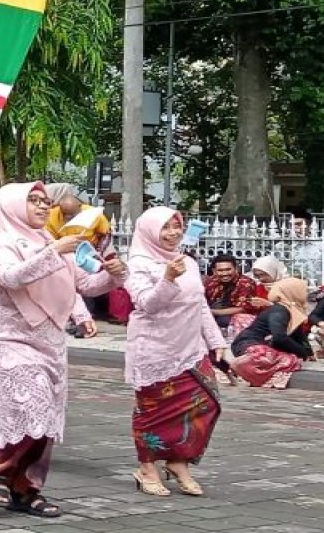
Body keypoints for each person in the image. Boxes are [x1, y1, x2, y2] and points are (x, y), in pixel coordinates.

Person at [0, 182, 127, 518]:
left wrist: (115, 275)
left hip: (50, 341)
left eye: (45, 201)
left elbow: (84, 285)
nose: (43, 206)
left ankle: (26, 488)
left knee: (46, 419)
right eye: (33, 200)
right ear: (13, 205)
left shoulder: (51, 241)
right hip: (9, 339)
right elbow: (10, 277)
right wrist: (54, 251)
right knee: (30, 404)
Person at [125, 206, 225, 498]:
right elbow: (147, 303)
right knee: (152, 413)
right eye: (164, 228)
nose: (173, 233)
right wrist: (167, 278)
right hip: (155, 348)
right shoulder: (137, 264)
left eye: (176, 226)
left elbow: (199, 303)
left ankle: (178, 460)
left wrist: (216, 341)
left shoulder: (188, 262)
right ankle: (147, 467)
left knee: (205, 403)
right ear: (149, 232)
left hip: (191, 347)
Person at [230, 278, 312, 388]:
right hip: (249, 344)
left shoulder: (290, 309)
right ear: (294, 292)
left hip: (255, 344)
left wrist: (308, 352)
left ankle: (249, 363)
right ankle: (245, 363)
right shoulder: (280, 310)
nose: (305, 294)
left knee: (289, 357)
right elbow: (279, 338)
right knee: (290, 360)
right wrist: (302, 352)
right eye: (303, 291)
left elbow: (298, 334)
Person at [203, 253, 269, 335]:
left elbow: (243, 308)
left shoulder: (246, 283)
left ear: (236, 268)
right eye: (220, 270)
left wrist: (212, 312)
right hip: (212, 315)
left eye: (228, 269)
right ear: (214, 271)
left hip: (237, 319)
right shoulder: (210, 282)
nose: (225, 273)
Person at [43, 183, 111, 250]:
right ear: (59, 208)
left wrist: (99, 249)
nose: (68, 217)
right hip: (64, 250)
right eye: (65, 213)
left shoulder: (93, 213)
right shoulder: (51, 215)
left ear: (80, 207)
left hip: (91, 248)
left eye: (71, 214)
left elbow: (106, 235)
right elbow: (49, 239)